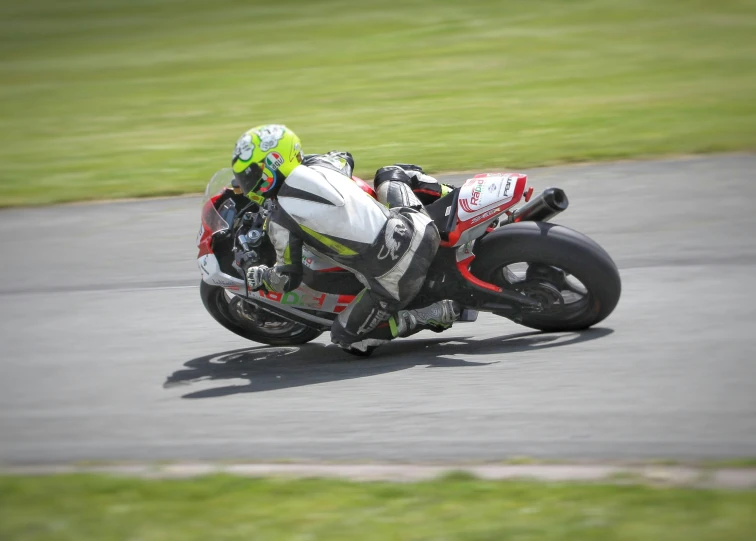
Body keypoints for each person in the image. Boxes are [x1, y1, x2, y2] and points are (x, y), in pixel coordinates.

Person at [231, 124, 459, 353]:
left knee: (345, 338)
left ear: (274, 163)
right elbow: (344, 158)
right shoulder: (322, 165)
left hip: (396, 278)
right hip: (420, 228)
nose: (247, 183)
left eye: (250, 175)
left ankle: (428, 315)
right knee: (391, 173)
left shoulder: (280, 221)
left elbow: (287, 279)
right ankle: (454, 196)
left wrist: (262, 276)